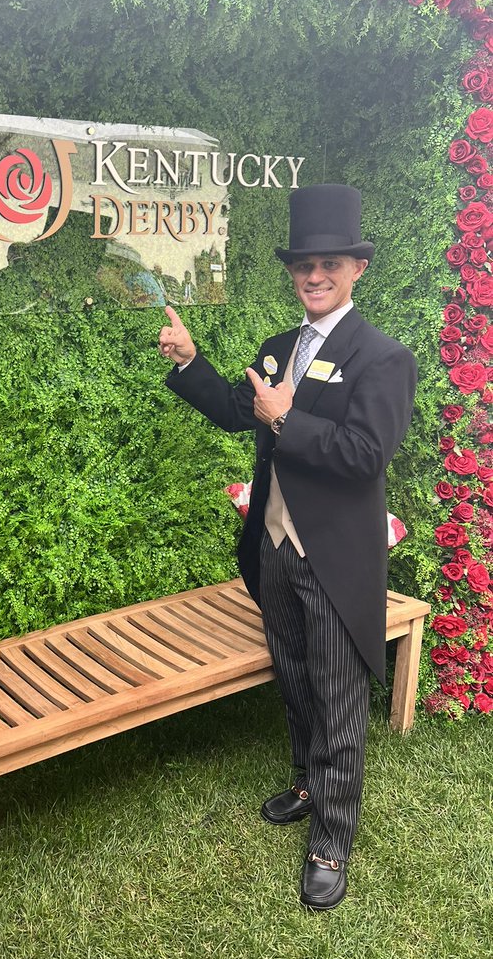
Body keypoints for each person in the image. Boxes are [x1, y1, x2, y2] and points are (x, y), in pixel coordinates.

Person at [158, 184, 416, 911]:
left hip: (334, 560)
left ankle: (334, 837)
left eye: (329, 263)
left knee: (339, 697)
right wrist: (189, 360)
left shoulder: (383, 359)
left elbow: (365, 454)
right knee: (296, 677)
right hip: (272, 547)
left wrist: (289, 418)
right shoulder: (278, 350)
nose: (315, 275)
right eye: (304, 264)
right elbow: (238, 413)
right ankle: (309, 783)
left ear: (356, 269)